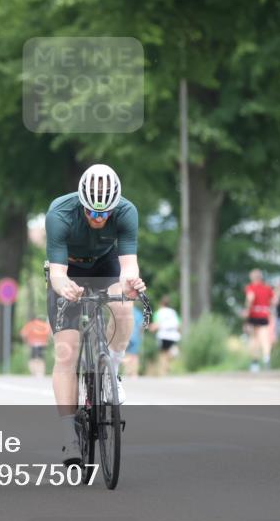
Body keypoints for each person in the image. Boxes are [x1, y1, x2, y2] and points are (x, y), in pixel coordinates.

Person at [45, 164, 146, 465]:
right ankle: (69, 437)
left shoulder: (127, 212)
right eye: (92, 212)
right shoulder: (60, 213)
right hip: (68, 270)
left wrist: (131, 284)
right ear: (82, 203)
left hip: (104, 265)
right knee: (67, 351)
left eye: (105, 213)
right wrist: (65, 287)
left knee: (123, 306)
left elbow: (128, 265)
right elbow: (57, 273)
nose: (98, 218)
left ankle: (111, 369)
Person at [243, 269, 275, 370]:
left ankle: (255, 362)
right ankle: (266, 357)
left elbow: (250, 299)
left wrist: (247, 311)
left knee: (254, 339)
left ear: (252, 277)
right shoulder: (268, 288)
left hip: (254, 315)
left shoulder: (251, 287)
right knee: (265, 338)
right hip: (264, 315)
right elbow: (273, 301)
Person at [150, 296, 181, 375]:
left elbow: (156, 325)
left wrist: (151, 328)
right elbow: (178, 325)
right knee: (170, 352)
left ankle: (164, 370)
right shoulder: (173, 312)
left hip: (163, 335)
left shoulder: (158, 312)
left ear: (161, 304)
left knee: (163, 353)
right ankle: (167, 366)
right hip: (173, 336)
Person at [124, 304, 144, 379]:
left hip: (126, 336)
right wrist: (141, 335)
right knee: (134, 355)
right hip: (135, 336)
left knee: (127, 354)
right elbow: (141, 326)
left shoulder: (125, 312)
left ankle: (128, 372)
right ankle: (134, 373)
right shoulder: (138, 313)